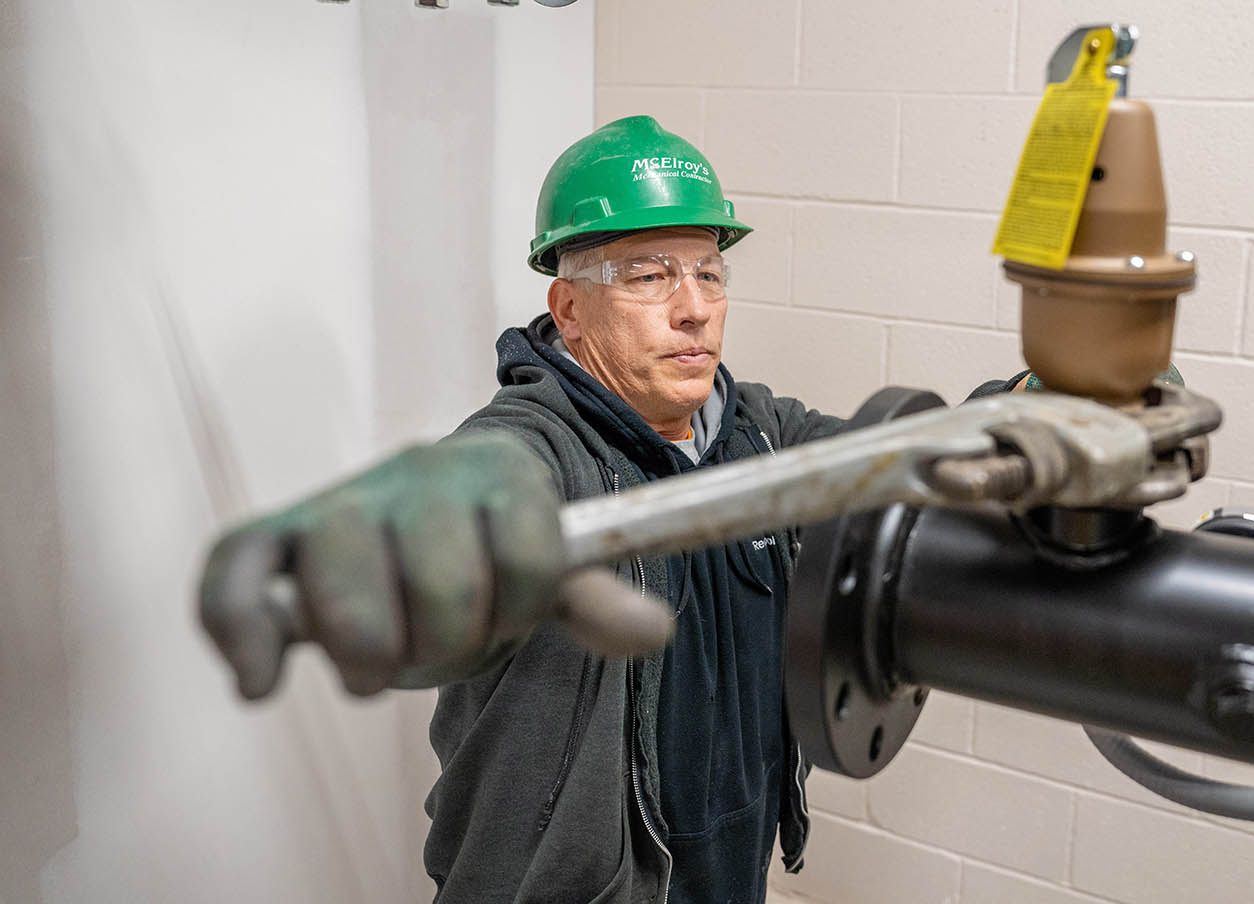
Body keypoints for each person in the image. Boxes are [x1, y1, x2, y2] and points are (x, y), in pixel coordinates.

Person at [203, 115, 1003, 904]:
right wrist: (433, 517)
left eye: (708, 274)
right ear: (571, 309)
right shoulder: (542, 450)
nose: (693, 308)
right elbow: (491, 480)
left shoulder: (760, 433)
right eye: (650, 276)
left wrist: (1027, 411)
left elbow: (908, 454)